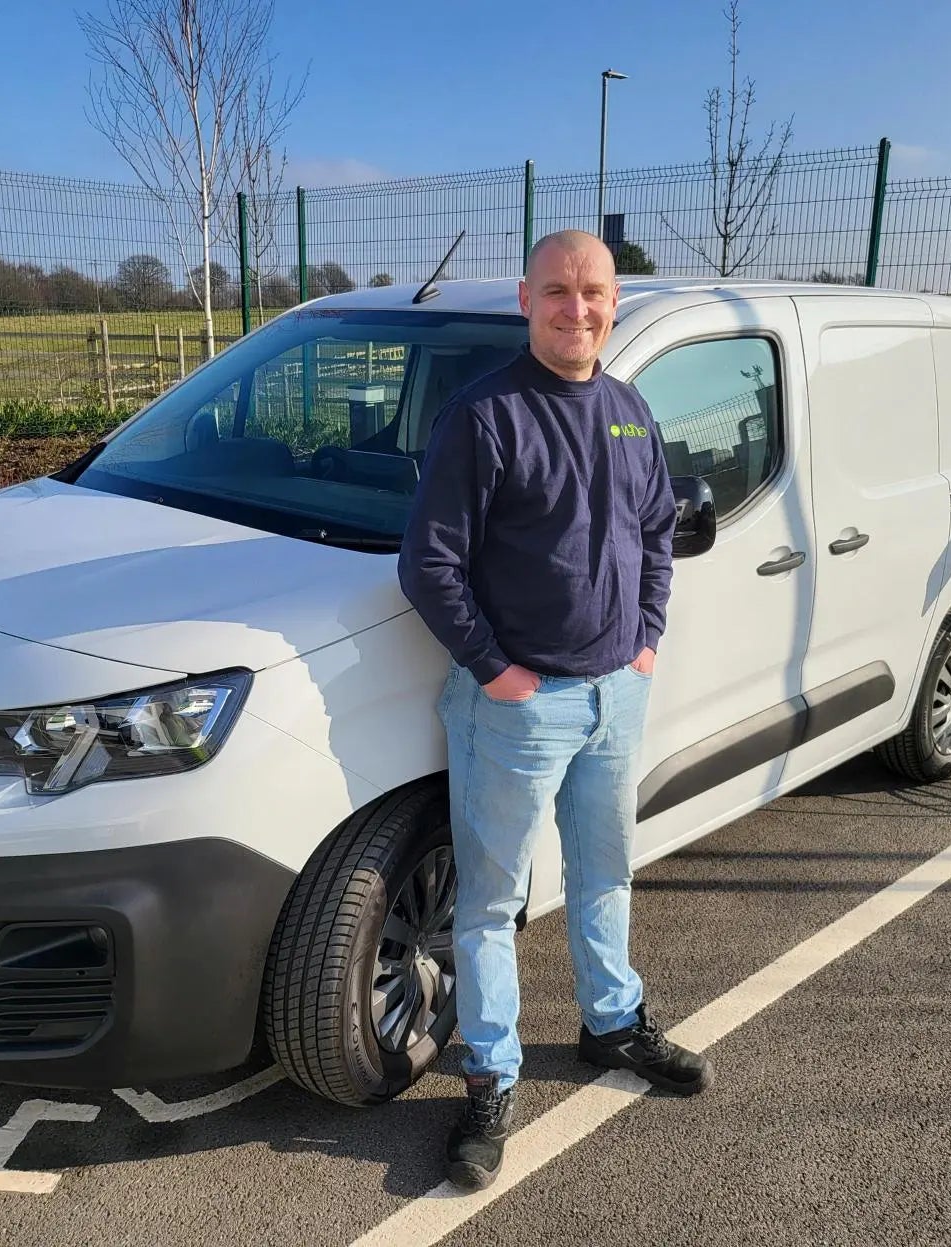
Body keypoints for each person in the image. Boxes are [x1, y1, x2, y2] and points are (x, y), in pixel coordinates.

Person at [397, 229, 714, 1192]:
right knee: (493, 902)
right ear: (526, 302)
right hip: (519, 707)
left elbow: (656, 530)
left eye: (594, 293)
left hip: (616, 691)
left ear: (614, 302)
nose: (578, 310)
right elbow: (429, 564)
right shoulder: (484, 416)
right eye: (558, 293)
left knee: (605, 872)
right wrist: (495, 670)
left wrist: (646, 633)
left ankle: (610, 1024)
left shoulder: (627, 410)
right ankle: (491, 1076)